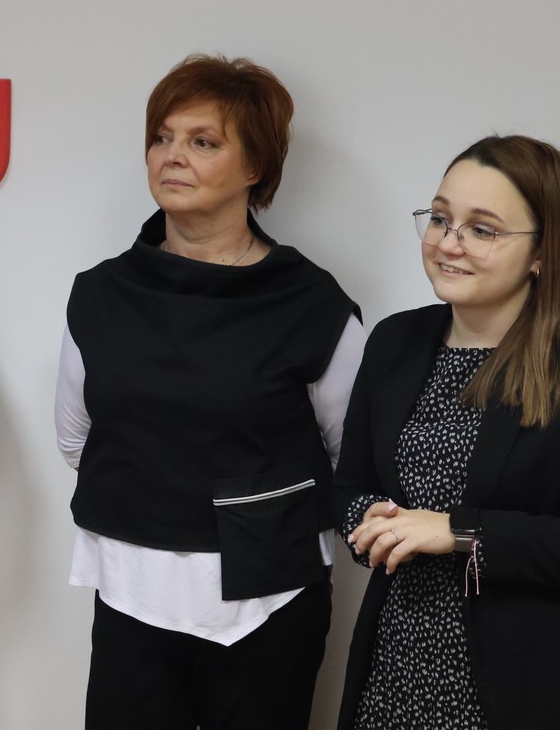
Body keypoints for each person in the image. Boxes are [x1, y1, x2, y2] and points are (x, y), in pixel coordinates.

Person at [55, 55, 363, 729]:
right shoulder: (101, 295)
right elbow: (77, 438)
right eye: (161, 138)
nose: (172, 156)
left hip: (270, 598)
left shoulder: (311, 304)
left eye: (203, 141)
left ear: (255, 167)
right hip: (133, 588)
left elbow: (351, 456)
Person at [332, 135, 560, 730]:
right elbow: (348, 486)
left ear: (542, 252)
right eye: (440, 218)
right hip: (398, 670)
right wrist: (372, 519)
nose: (447, 243)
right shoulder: (394, 340)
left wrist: (459, 532)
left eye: (481, 229)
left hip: (533, 687)